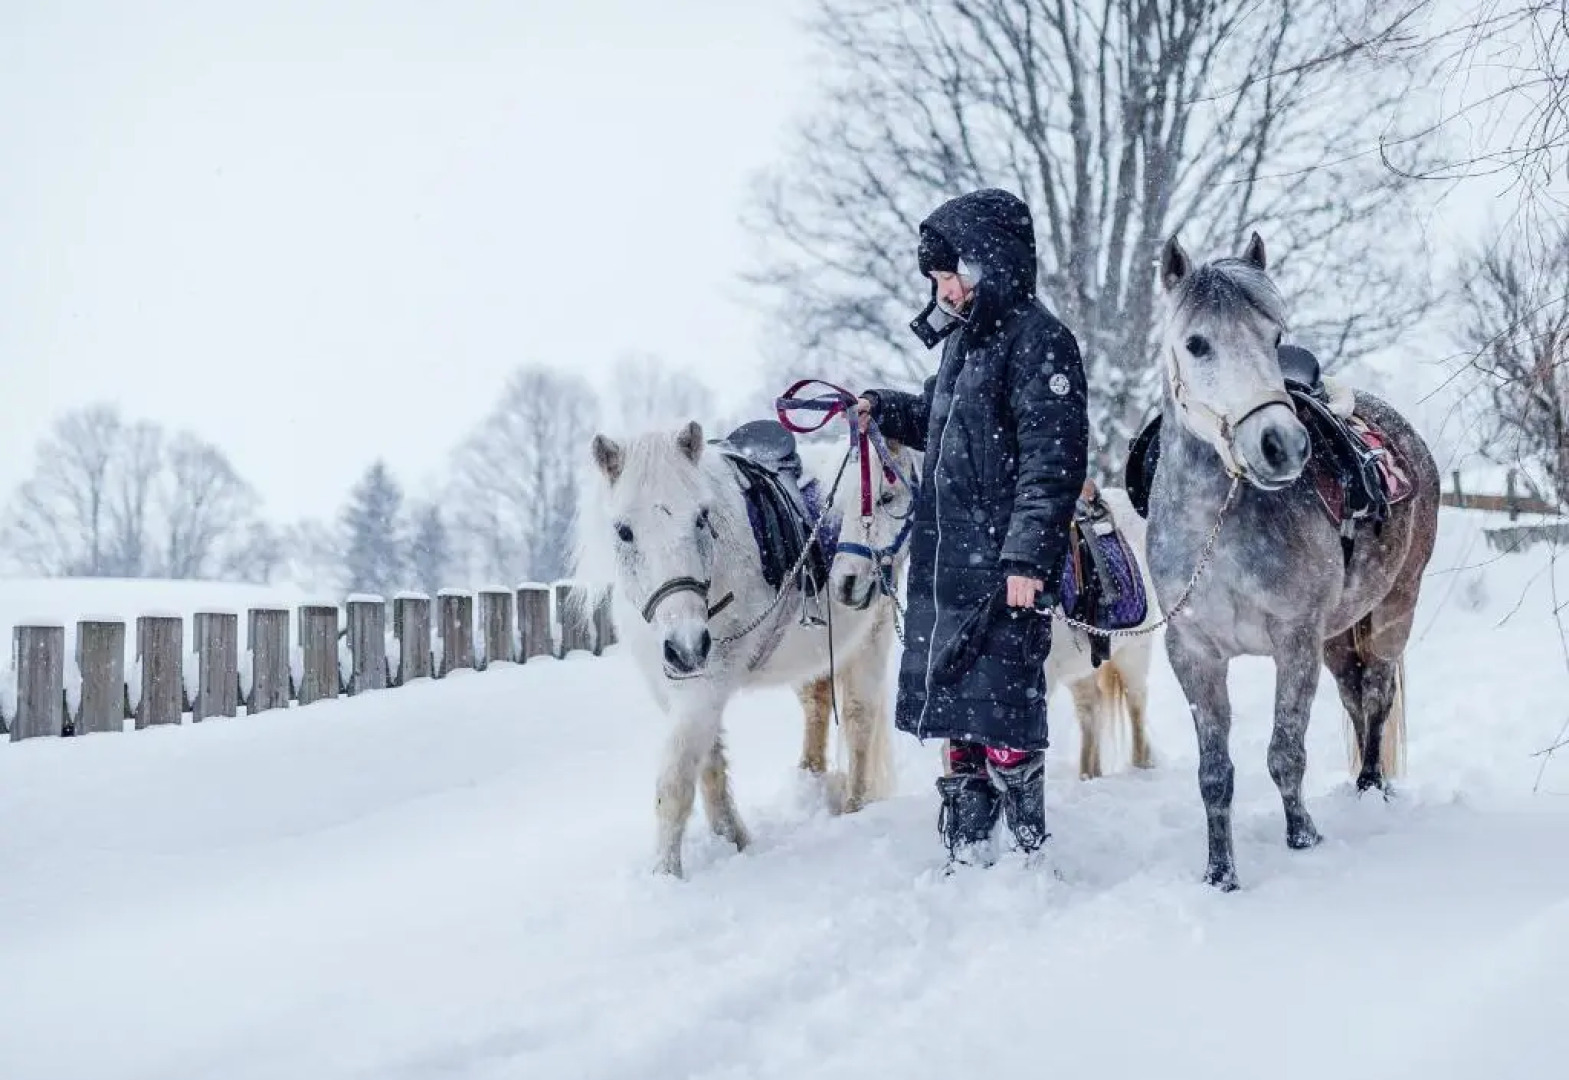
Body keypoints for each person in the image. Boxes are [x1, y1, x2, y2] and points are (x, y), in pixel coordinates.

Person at [855, 187, 1089, 868]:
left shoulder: (1040, 342)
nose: (944, 289)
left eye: (951, 274)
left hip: (1000, 563)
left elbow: (1052, 462)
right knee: (954, 700)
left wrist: (1026, 560)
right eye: (936, 279)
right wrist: (884, 408)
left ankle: (1022, 838)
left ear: (992, 264)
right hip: (946, 554)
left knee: (1004, 698)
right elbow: (937, 419)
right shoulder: (963, 343)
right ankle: (965, 826)